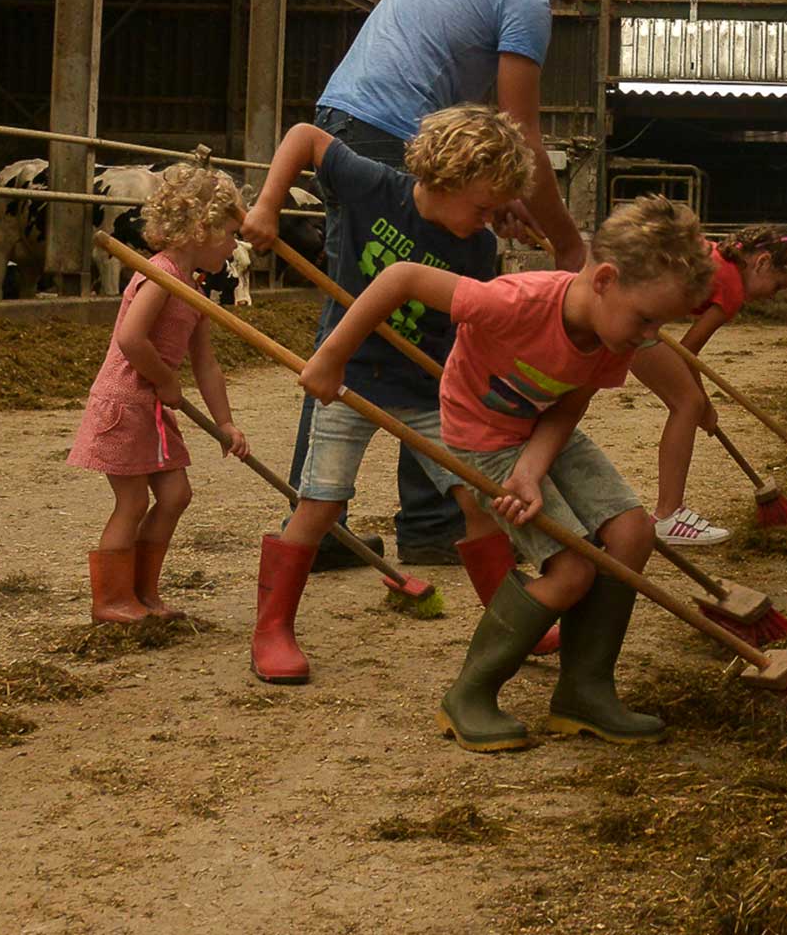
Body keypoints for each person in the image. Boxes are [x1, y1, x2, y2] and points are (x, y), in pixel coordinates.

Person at [287, 0, 638, 571]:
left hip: (356, 118)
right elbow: (523, 128)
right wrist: (569, 243)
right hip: (385, 134)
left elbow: (492, 134)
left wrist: (489, 192)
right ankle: (376, 520)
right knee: (388, 318)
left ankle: (425, 520)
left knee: (394, 315)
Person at [300, 196, 713, 752]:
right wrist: (332, 357)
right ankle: (470, 694)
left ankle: (584, 692)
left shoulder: (615, 336)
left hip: (542, 428)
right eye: (647, 318)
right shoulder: (516, 302)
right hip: (481, 435)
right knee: (571, 572)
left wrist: (533, 467)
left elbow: (568, 405)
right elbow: (399, 278)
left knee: (633, 532)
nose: (650, 336)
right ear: (606, 280)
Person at [239, 104, 533, 683]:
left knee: (475, 500)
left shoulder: (474, 247)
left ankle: (511, 620)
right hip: (347, 377)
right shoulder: (372, 184)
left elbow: (468, 332)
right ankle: (271, 632)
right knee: (320, 504)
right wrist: (267, 206)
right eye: (483, 207)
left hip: (427, 391)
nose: (487, 221)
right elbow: (303, 136)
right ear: (445, 179)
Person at [66, 153, 250, 624]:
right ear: (202, 231)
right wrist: (167, 381)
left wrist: (226, 422)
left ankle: (143, 592)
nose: (234, 246)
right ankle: (110, 600)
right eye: (231, 234)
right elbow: (131, 338)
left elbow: (205, 364)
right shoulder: (161, 273)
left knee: (175, 496)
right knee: (133, 501)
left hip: (151, 405)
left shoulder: (194, 286)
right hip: (126, 402)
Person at [626, 224, 787, 546]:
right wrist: (705, 406)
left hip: (623, 308)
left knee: (688, 401)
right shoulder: (732, 288)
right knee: (688, 404)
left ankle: (668, 514)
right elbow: (689, 351)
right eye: (777, 285)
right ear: (762, 262)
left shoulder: (714, 258)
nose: (772, 295)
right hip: (631, 321)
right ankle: (669, 515)